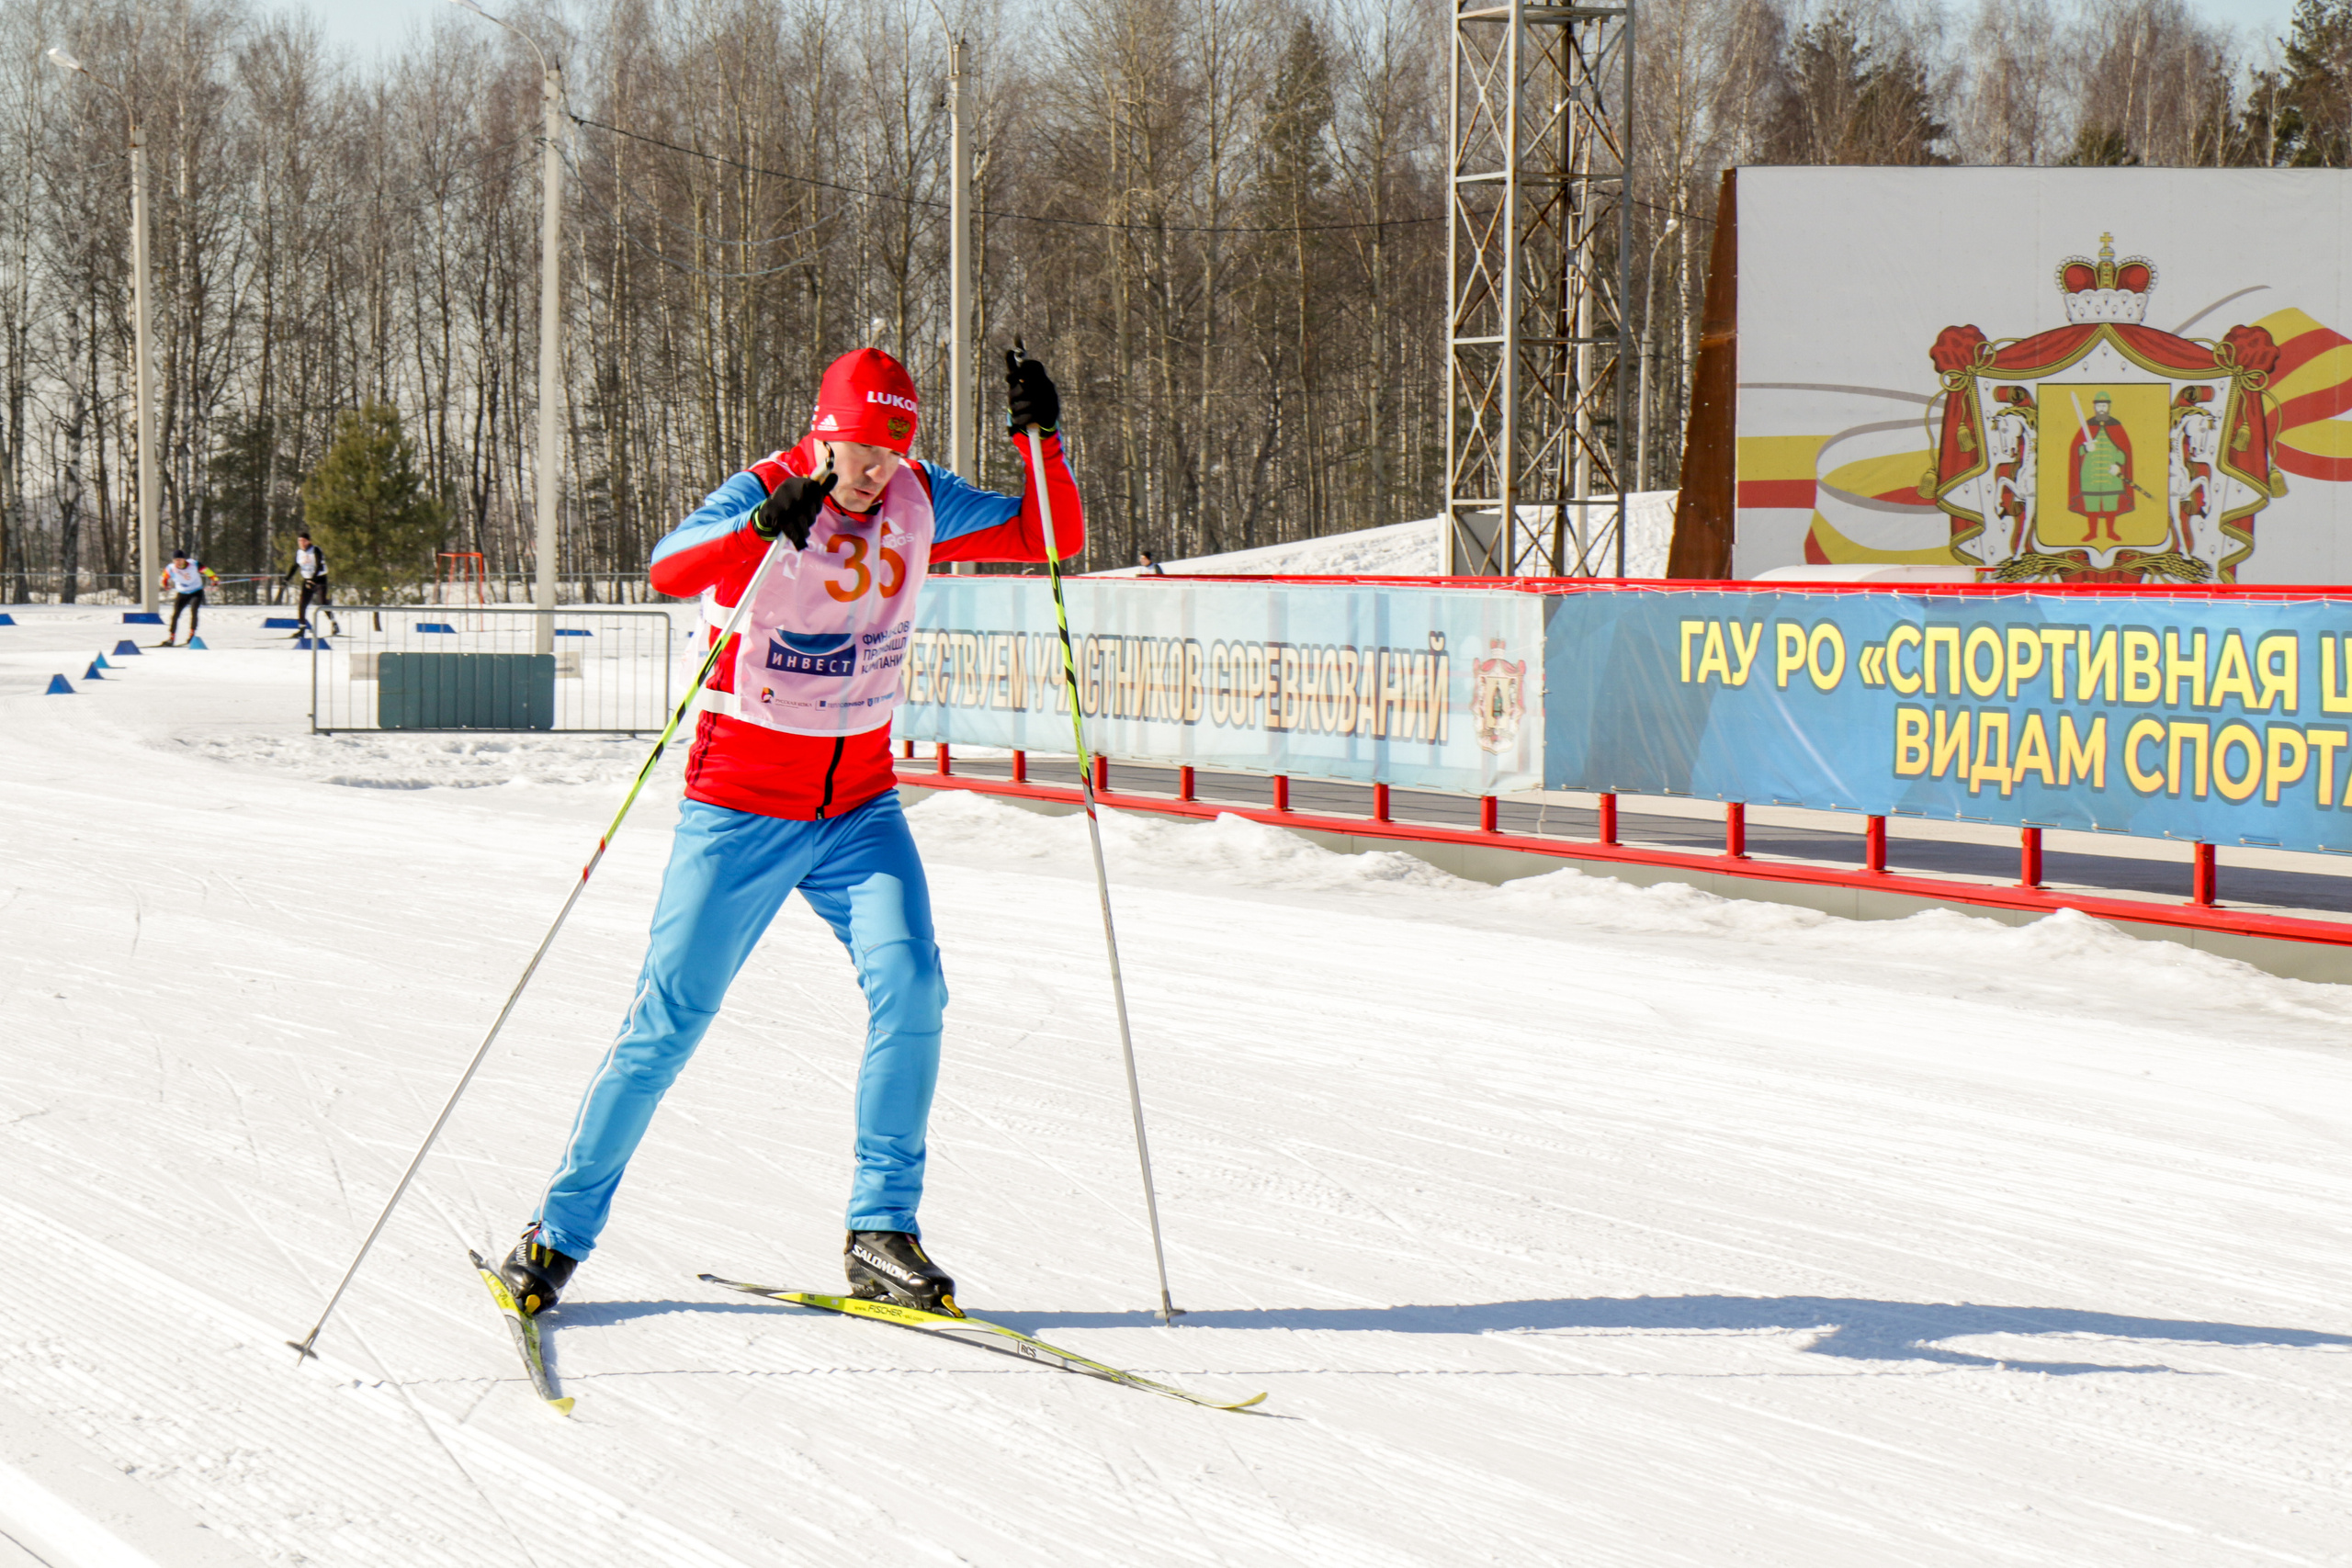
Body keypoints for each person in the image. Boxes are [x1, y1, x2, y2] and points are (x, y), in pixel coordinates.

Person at [497, 344, 1082, 1319]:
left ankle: (881, 1230)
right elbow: (668, 568)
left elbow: (1048, 539)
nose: (873, 472)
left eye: (892, 451)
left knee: (915, 989)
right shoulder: (768, 485)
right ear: (824, 432)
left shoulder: (921, 496)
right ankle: (557, 1234)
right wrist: (764, 524)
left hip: (858, 804)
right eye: (859, 450)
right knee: (668, 1025)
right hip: (738, 807)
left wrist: (1043, 445)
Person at [282, 531, 340, 636]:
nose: (301, 543)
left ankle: (334, 623)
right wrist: (287, 579)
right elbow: (295, 566)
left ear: (308, 541)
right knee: (302, 604)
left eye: (303, 541)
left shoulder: (315, 550)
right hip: (307, 580)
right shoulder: (300, 552)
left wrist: (313, 580)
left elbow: (319, 566)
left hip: (319, 579)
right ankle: (302, 628)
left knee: (322, 603)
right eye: (299, 541)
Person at [160, 549, 220, 646]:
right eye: (176, 560)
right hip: (182, 593)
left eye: (180, 560)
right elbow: (164, 578)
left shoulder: (194, 564)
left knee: (194, 611)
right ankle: (171, 637)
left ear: (184, 560)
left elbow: (208, 571)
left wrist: (215, 580)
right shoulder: (171, 568)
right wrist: (165, 585)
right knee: (175, 614)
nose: (178, 562)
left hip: (196, 591)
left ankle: (192, 636)